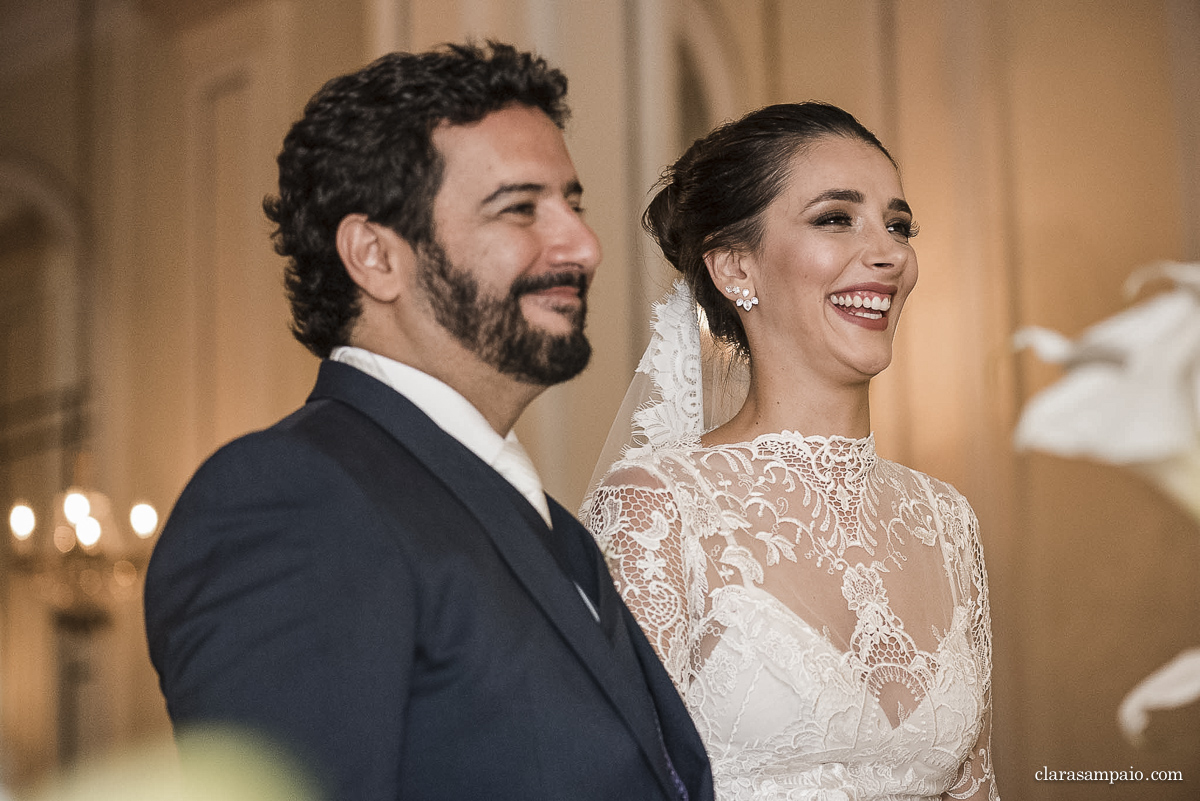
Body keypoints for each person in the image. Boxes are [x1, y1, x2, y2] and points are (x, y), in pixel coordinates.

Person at [144, 42, 713, 801]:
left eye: (571, 203)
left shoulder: (552, 528)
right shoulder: (291, 498)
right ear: (376, 256)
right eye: (520, 207)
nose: (583, 243)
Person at [581, 102, 999, 800]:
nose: (888, 251)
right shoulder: (657, 506)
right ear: (735, 266)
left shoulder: (947, 520)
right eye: (837, 218)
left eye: (899, 225)